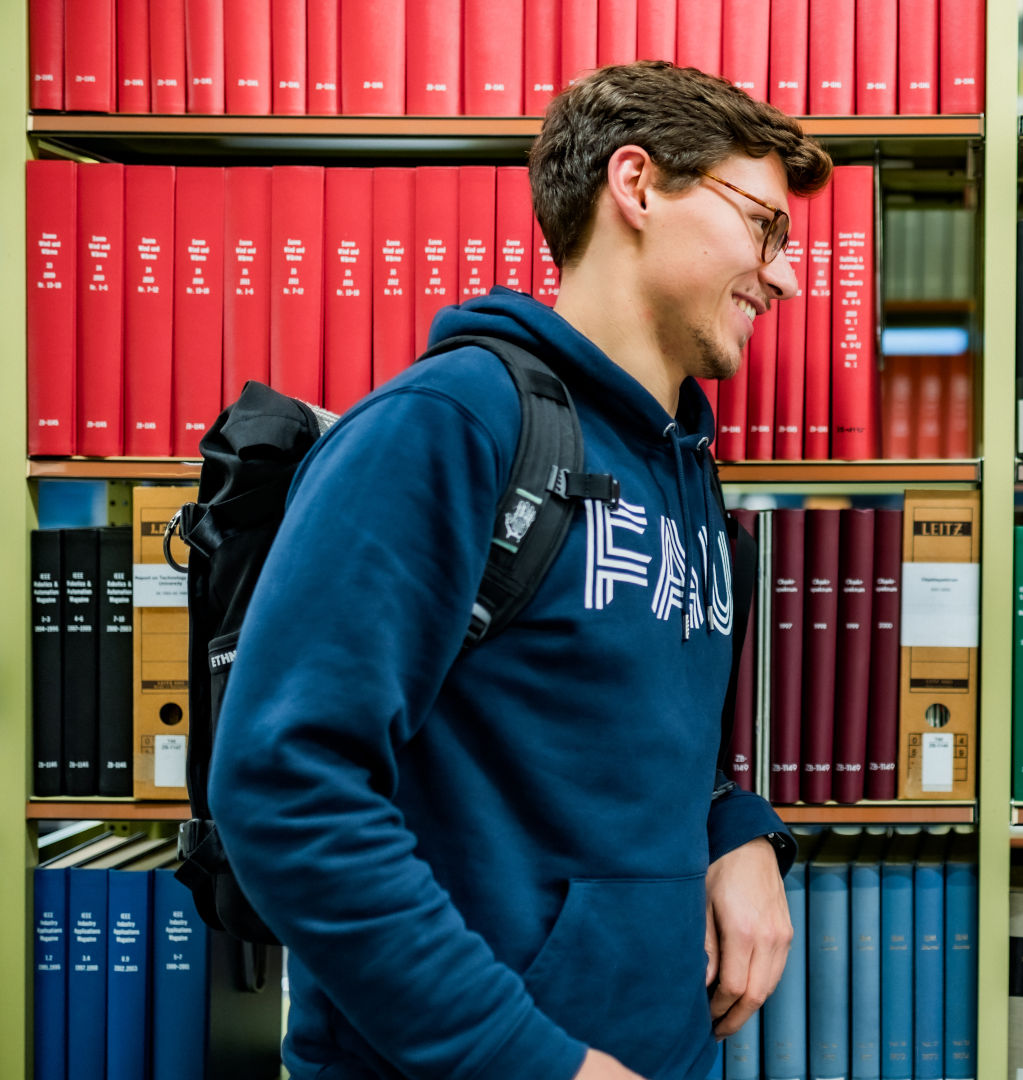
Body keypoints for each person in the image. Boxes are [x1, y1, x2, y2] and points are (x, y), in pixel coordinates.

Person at [209, 62, 833, 1080]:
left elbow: (621, 737)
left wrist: (736, 831)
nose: (787, 276)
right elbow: (284, 788)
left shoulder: (683, 470)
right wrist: (532, 1063)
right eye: (765, 226)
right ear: (635, 184)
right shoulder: (450, 426)